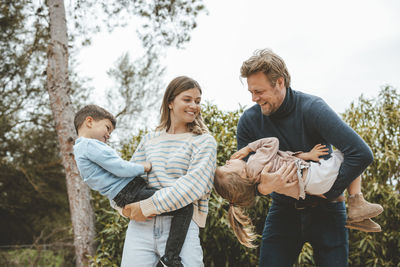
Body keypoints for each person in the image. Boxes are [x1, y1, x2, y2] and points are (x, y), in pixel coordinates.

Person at [236, 49, 376, 266]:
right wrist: (262, 188)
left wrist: (329, 191)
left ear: (279, 82)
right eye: (251, 92)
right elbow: (243, 180)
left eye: (259, 91)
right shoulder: (249, 122)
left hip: (328, 212)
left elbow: (361, 153)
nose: (254, 98)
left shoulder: (313, 109)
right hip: (282, 211)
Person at [73, 104, 194, 267]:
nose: (108, 135)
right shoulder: (89, 145)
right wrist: (144, 167)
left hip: (125, 194)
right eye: (107, 128)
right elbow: (120, 167)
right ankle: (170, 259)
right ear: (89, 122)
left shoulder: (80, 150)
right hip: (130, 191)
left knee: (170, 200)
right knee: (183, 205)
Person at [214, 137, 383, 247]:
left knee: (346, 165)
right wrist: (248, 149)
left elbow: (283, 158)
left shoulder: (256, 181)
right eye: (227, 165)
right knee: (352, 154)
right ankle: (356, 203)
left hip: (312, 187)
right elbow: (272, 142)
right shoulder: (254, 163)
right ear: (240, 176)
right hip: (314, 176)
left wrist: (308, 155)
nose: (229, 160)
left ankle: (360, 218)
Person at [120, 76, 217, 267]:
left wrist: (147, 206)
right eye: (187, 99)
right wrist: (124, 209)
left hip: (182, 225)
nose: (194, 106)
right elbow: (126, 179)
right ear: (170, 102)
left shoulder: (204, 142)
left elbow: (192, 187)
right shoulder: (150, 140)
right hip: (141, 226)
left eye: (197, 101)